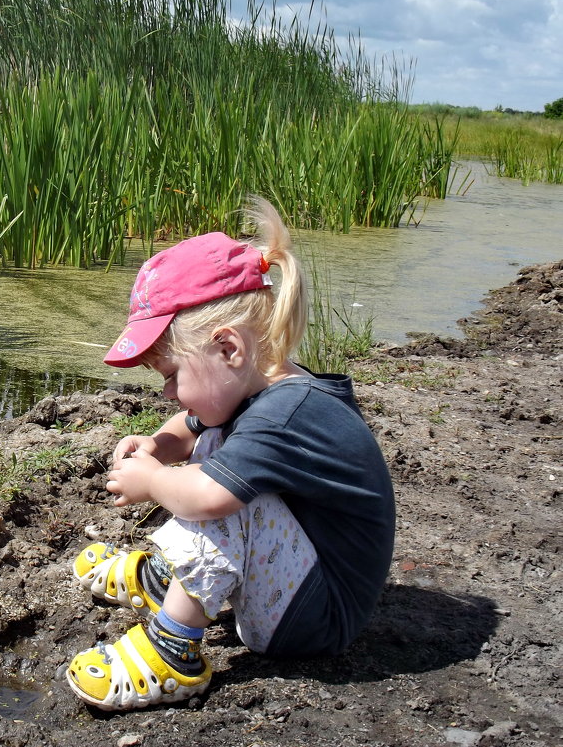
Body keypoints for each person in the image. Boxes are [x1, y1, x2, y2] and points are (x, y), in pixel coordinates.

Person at [65, 197, 395, 711]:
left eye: (172, 375)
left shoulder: (283, 415)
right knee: (216, 451)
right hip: (297, 587)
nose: (169, 393)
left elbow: (207, 499)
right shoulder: (257, 386)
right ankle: (166, 578)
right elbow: (190, 427)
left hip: (313, 621)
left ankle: (171, 650)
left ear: (228, 348)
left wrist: (152, 480)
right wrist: (157, 445)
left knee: (222, 493)